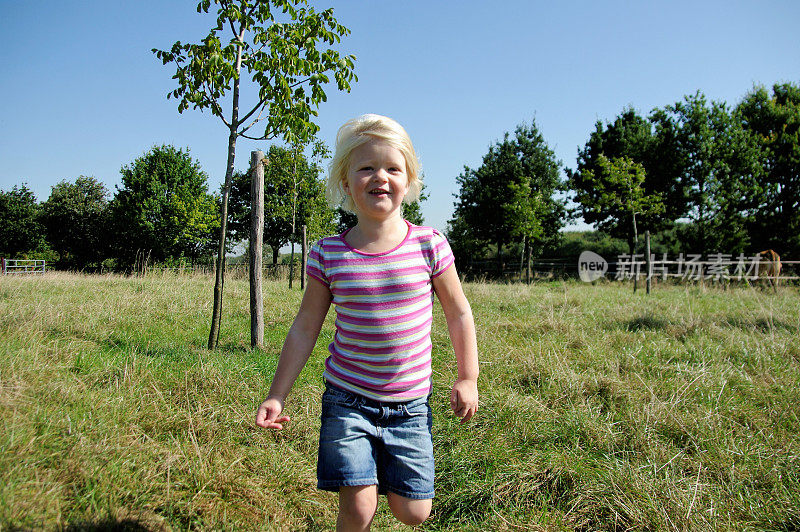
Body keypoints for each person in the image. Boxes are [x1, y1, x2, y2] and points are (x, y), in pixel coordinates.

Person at [256, 114, 479, 531]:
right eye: (366, 167)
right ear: (345, 182)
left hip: (410, 406)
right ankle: (361, 475)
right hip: (348, 402)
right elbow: (305, 327)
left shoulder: (429, 245)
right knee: (358, 510)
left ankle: (380, 468)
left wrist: (468, 377)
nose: (380, 176)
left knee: (414, 512)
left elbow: (458, 311)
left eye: (393, 168)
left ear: (409, 179)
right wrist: (277, 395)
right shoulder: (328, 254)